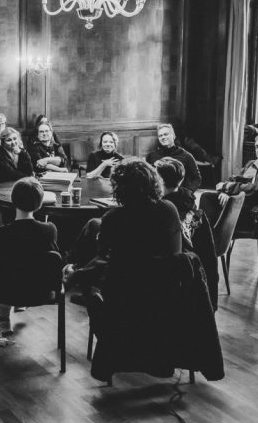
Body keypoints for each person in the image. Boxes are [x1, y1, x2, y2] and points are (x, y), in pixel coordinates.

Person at [64, 158, 183, 297]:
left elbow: (105, 262)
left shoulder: (115, 217)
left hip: (128, 292)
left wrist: (75, 276)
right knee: (94, 225)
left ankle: (76, 277)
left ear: (120, 188)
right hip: (167, 286)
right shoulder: (169, 209)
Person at [0, 178, 59, 336]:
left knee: (1, 275)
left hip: (4, 292)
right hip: (41, 291)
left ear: (13, 200)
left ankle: (4, 319)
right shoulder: (50, 230)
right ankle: (14, 309)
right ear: (40, 203)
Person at [154, 158, 220, 307]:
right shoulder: (189, 203)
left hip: (171, 275)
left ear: (159, 180)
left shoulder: (165, 211)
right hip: (195, 273)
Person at [146, 124, 202, 191]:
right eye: (160, 136)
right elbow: (147, 176)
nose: (163, 137)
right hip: (159, 194)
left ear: (173, 136)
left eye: (166, 134)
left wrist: (188, 191)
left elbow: (197, 178)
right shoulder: (151, 156)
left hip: (180, 194)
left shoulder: (186, 156)